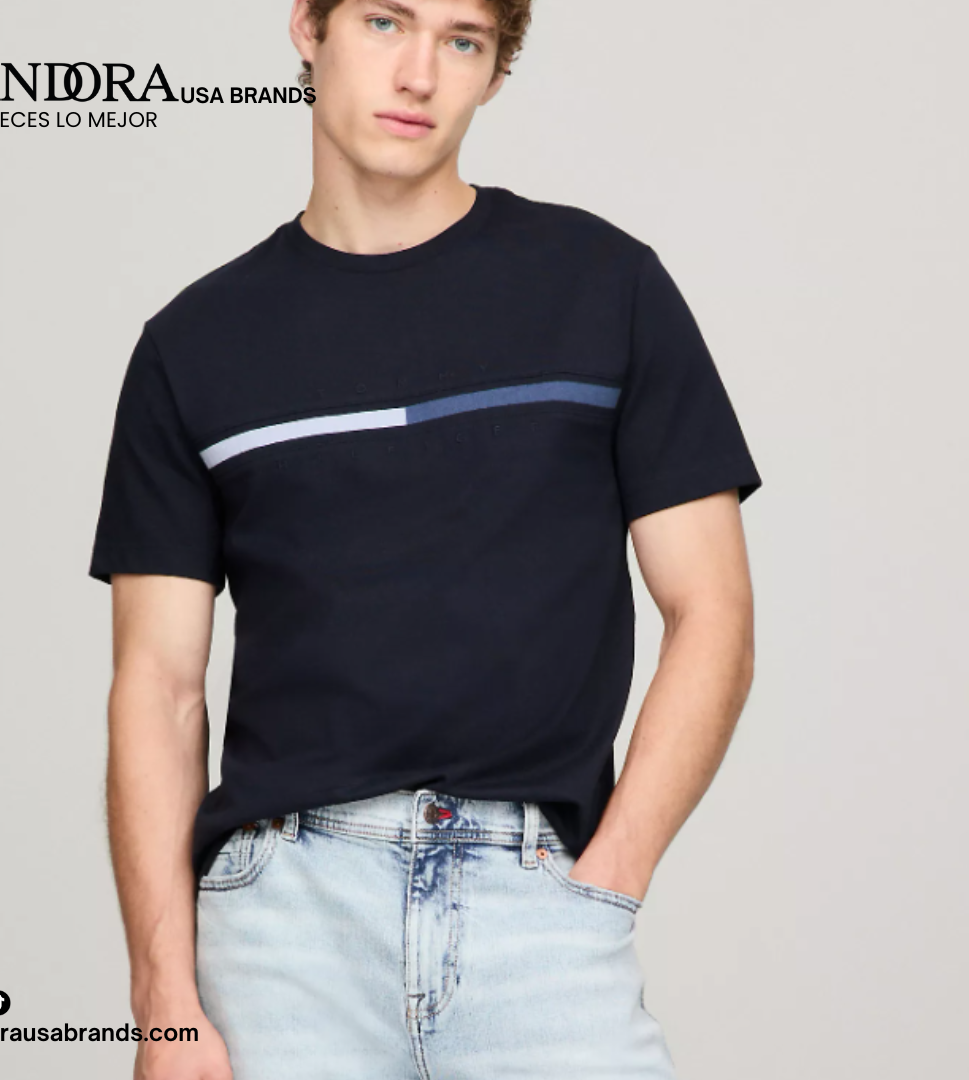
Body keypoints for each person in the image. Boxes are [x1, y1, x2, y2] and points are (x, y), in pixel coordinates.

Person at [88, 1, 763, 1077]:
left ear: (494, 70)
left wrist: (613, 872)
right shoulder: (194, 345)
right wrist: (164, 1004)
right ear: (308, 27)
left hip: (537, 904)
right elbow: (158, 689)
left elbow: (713, 610)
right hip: (284, 931)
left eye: (462, 40)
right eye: (384, 22)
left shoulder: (605, 284)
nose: (419, 74)